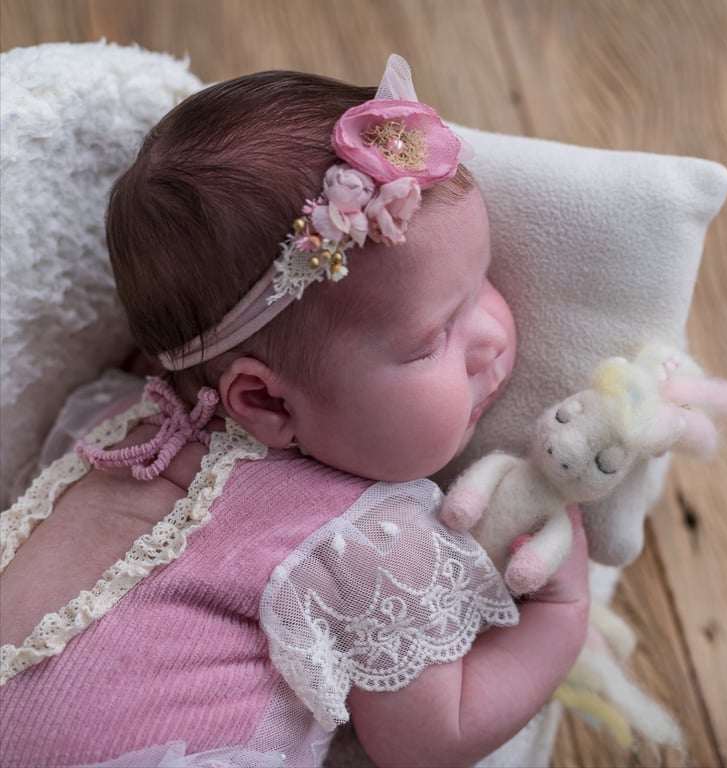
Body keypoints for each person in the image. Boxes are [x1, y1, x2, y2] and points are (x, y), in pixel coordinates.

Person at [0, 55, 589, 768]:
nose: (491, 336)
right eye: (434, 338)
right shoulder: (368, 543)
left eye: (482, 280)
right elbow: (435, 737)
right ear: (265, 401)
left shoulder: (118, 421)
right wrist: (562, 611)